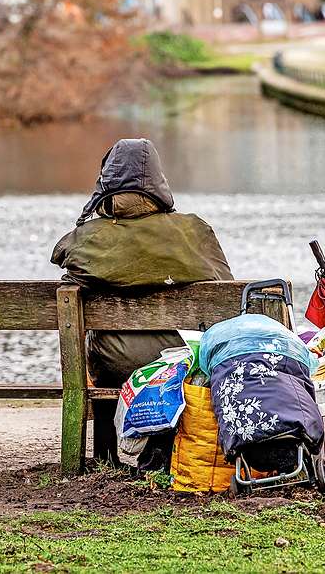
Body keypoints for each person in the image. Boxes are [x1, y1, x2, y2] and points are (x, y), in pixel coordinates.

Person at [51, 138, 233, 471]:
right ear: (160, 183)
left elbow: (67, 266)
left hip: (114, 362)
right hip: (180, 357)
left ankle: (106, 456)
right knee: (179, 355)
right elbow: (225, 293)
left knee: (100, 352)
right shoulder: (194, 231)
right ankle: (167, 449)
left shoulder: (88, 238)